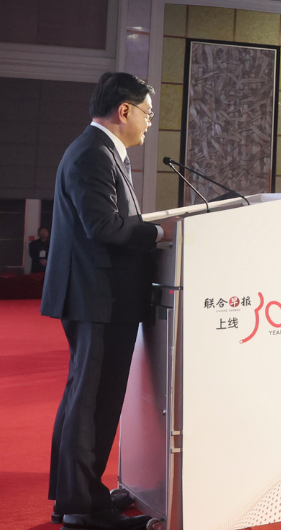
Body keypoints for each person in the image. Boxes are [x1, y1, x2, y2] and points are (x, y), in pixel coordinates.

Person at [42, 72, 176, 530]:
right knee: (91, 403)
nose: (148, 123)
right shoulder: (93, 154)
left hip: (102, 296)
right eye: (147, 113)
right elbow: (104, 226)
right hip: (97, 297)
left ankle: (79, 499)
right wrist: (162, 231)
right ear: (125, 111)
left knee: (89, 401)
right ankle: (82, 509)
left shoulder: (98, 152)